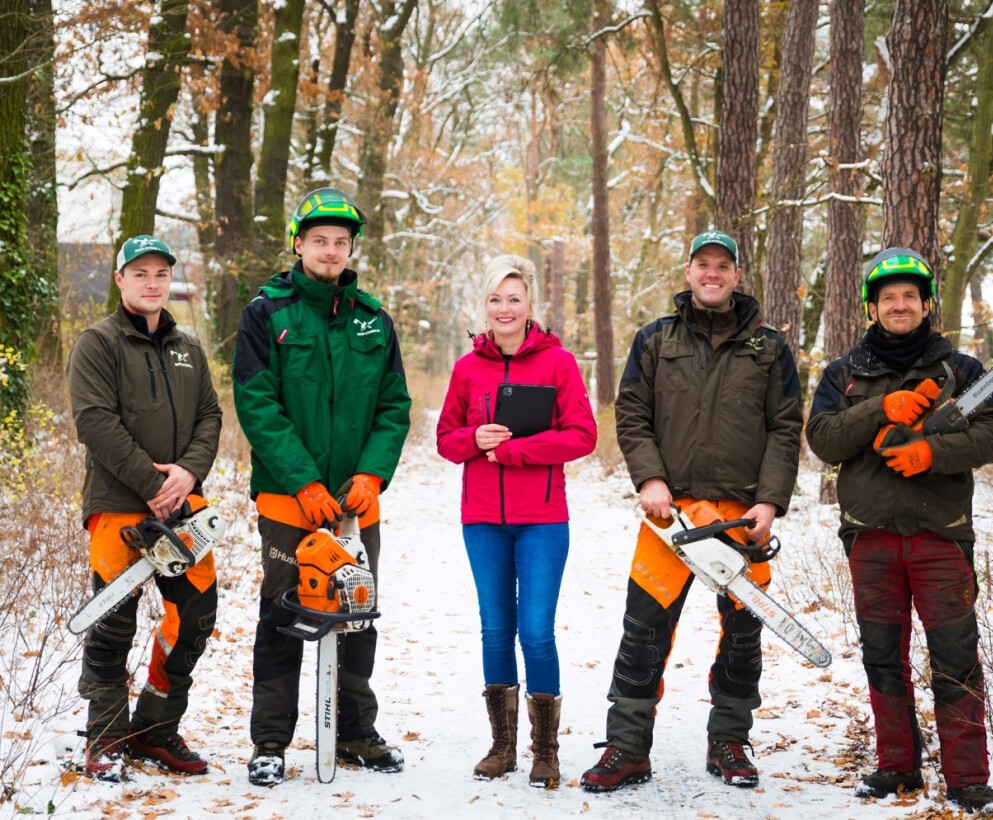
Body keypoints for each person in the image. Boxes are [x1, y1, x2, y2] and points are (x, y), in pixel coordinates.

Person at [580, 230, 803, 793]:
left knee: (743, 632)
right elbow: (631, 413)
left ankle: (730, 738)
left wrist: (770, 501)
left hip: (740, 515)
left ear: (736, 274)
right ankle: (627, 746)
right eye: (702, 264)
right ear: (688, 271)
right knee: (643, 629)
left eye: (722, 265)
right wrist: (650, 479)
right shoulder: (655, 340)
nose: (712, 273)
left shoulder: (768, 346)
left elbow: (785, 426)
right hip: (670, 515)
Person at [806, 247, 993, 815]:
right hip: (870, 536)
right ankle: (897, 765)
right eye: (888, 297)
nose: (900, 305)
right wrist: (880, 409)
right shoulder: (844, 374)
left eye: (910, 296)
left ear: (925, 305)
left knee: (955, 654)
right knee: (881, 655)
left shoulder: (963, 372)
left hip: (941, 535)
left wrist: (931, 452)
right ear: (872, 308)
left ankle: (968, 778)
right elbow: (822, 439)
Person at [232, 187, 412, 786]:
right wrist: (304, 480)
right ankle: (270, 742)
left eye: (341, 241)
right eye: (319, 240)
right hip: (290, 500)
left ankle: (356, 733)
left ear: (351, 247)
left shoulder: (373, 318)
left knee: (357, 613)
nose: (330, 250)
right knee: (283, 613)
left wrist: (371, 474)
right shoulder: (267, 313)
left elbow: (394, 406)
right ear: (299, 244)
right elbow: (257, 405)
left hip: (356, 507)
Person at [435, 254, 597, 787]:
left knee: (536, 632)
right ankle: (502, 747)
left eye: (514, 299)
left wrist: (516, 451)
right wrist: (472, 440)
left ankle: (544, 751)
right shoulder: (467, 369)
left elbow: (583, 435)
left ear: (530, 306)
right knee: (495, 630)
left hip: (543, 520)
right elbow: (444, 439)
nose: (504, 309)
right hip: (482, 519)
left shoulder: (559, 364)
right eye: (495, 299)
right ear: (483, 307)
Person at [67, 235, 223, 781]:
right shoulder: (98, 342)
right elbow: (94, 422)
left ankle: (155, 728)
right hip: (117, 506)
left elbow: (210, 416)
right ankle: (106, 739)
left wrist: (188, 474)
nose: (152, 282)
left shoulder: (188, 347)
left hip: (185, 506)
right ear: (120, 280)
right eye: (141, 273)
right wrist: (149, 484)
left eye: (161, 273)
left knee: (196, 615)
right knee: (113, 625)